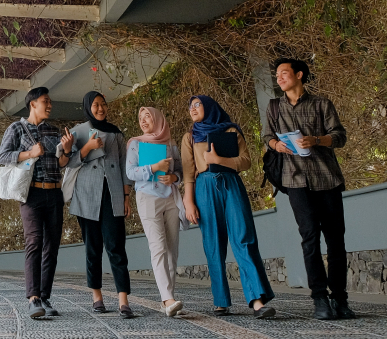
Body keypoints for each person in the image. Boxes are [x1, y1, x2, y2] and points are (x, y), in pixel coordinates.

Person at [265, 58, 354, 320]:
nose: (280, 78)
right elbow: (266, 136)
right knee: (309, 239)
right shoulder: (274, 107)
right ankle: (319, 298)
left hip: (327, 179)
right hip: (295, 181)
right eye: (278, 75)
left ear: (299, 75)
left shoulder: (321, 104)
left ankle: (340, 298)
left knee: (336, 241)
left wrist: (316, 140)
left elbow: (339, 136)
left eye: (284, 73)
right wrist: (275, 145)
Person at [181, 95, 276, 318]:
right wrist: (188, 202)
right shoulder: (190, 137)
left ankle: (257, 300)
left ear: (210, 106)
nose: (193, 109)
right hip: (204, 187)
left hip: (231, 183)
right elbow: (188, 172)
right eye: (190, 106)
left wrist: (219, 160)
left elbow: (246, 161)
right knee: (212, 242)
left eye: (198, 104)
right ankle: (220, 301)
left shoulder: (231, 131)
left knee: (244, 237)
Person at [0, 86, 73, 319]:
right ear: (32, 104)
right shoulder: (16, 128)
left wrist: (67, 152)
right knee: (34, 242)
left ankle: (45, 297)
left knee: (52, 247)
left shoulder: (53, 130)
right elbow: (2, 156)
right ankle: (33, 299)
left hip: (54, 193)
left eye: (49, 102)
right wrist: (29, 153)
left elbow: (61, 164)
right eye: (45, 101)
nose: (49, 105)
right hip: (31, 194)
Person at [69, 91, 134, 317]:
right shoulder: (79, 131)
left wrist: (127, 196)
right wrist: (87, 147)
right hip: (87, 195)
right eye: (96, 105)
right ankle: (97, 296)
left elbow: (125, 164)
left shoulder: (116, 133)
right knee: (93, 248)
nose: (100, 108)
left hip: (113, 194)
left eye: (103, 104)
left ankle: (123, 300)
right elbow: (68, 161)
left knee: (116, 246)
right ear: (88, 107)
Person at [126, 106, 184, 317]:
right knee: (158, 247)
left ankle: (167, 298)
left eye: (147, 116)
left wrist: (174, 178)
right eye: (140, 118)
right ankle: (168, 298)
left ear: (158, 119)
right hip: (147, 198)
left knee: (172, 249)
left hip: (169, 197)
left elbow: (180, 170)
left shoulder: (170, 143)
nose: (143, 121)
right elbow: (130, 172)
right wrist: (153, 167)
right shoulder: (135, 144)